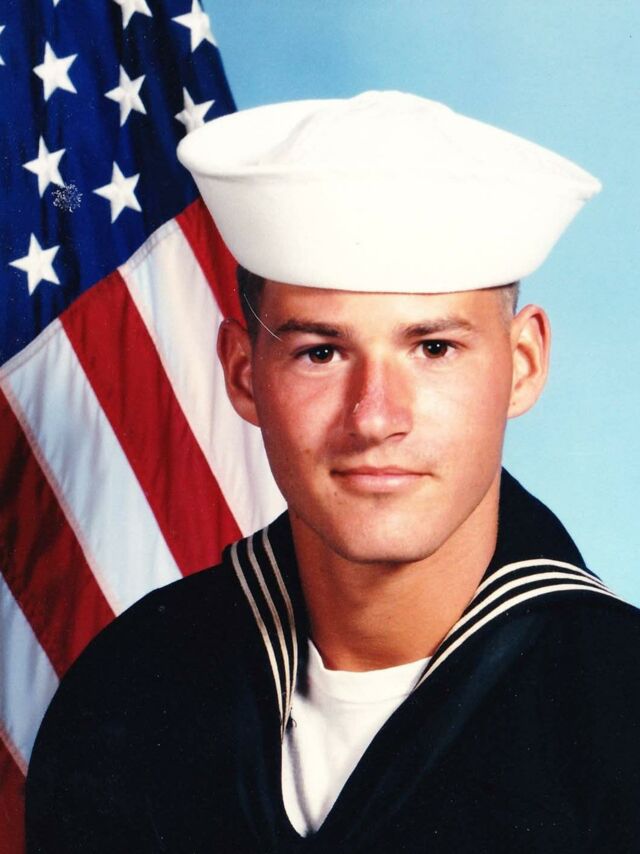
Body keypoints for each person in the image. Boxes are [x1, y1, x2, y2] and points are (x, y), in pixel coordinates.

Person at [26, 92, 640, 853]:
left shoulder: (620, 710)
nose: (375, 417)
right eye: (321, 352)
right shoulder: (128, 692)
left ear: (523, 365)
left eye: (434, 349)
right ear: (243, 373)